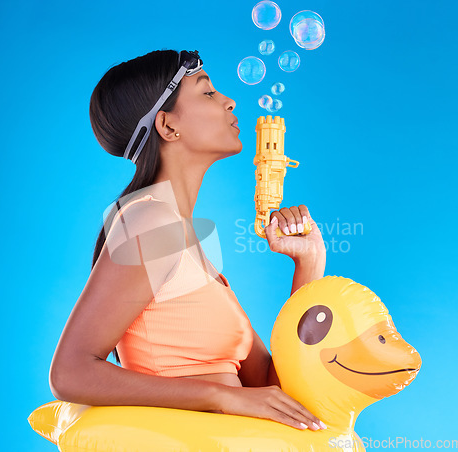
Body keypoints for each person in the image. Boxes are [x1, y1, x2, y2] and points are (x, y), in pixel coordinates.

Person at [49, 49, 327, 432]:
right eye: (207, 92)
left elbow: (273, 388)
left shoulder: (183, 238)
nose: (229, 100)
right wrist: (223, 397)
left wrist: (308, 265)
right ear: (167, 126)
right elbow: (70, 372)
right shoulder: (150, 221)